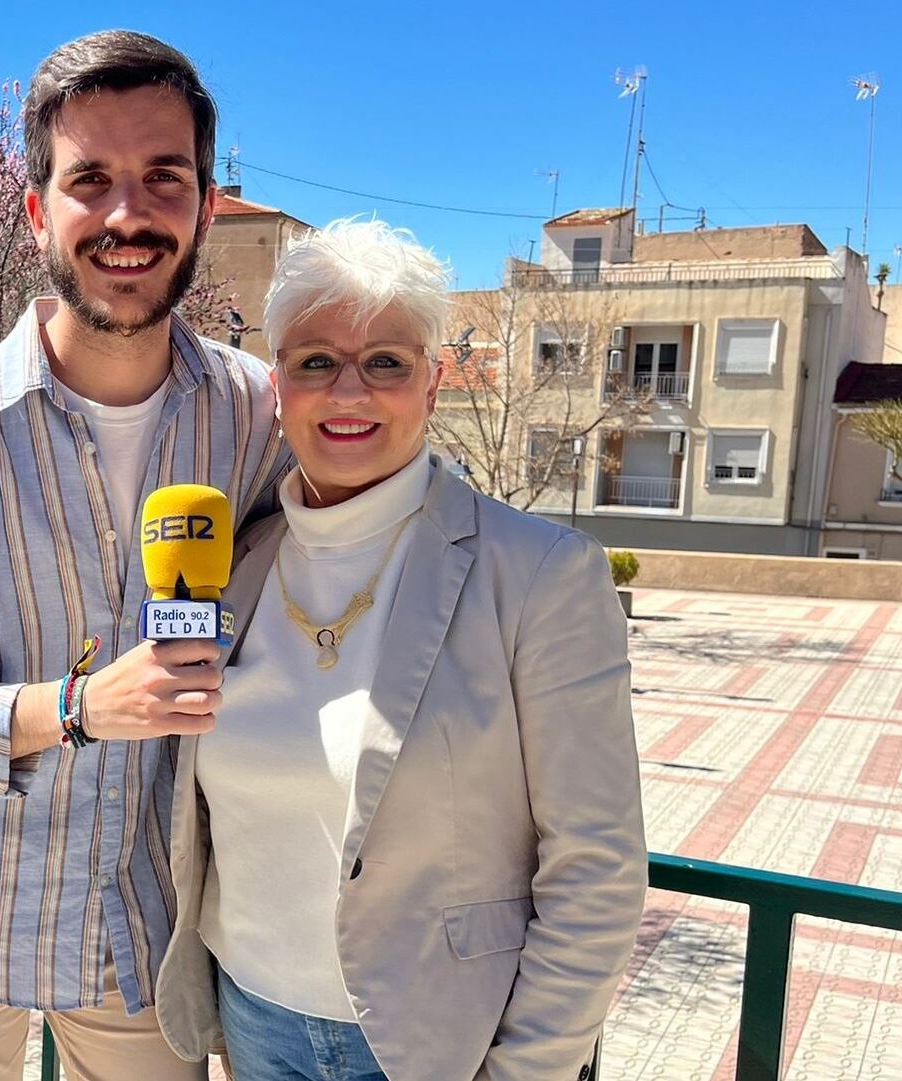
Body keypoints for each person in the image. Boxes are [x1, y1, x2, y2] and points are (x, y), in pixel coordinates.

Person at [0, 29, 288, 1081]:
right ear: (37, 210)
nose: (128, 215)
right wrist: (84, 706)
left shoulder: (254, 418)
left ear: (206, 206)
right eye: (90, 179)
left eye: (161, 179)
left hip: (141, 929)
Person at [153, 218, 647, 1081]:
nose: (349, 392)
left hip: (442, 1048)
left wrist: (527, 1070)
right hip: (254, 1020)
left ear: (433, 381)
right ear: (279, 387)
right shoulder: (234, 566)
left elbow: (597, 869)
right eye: (315, 361)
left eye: (386, 360)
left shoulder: (538, 575)